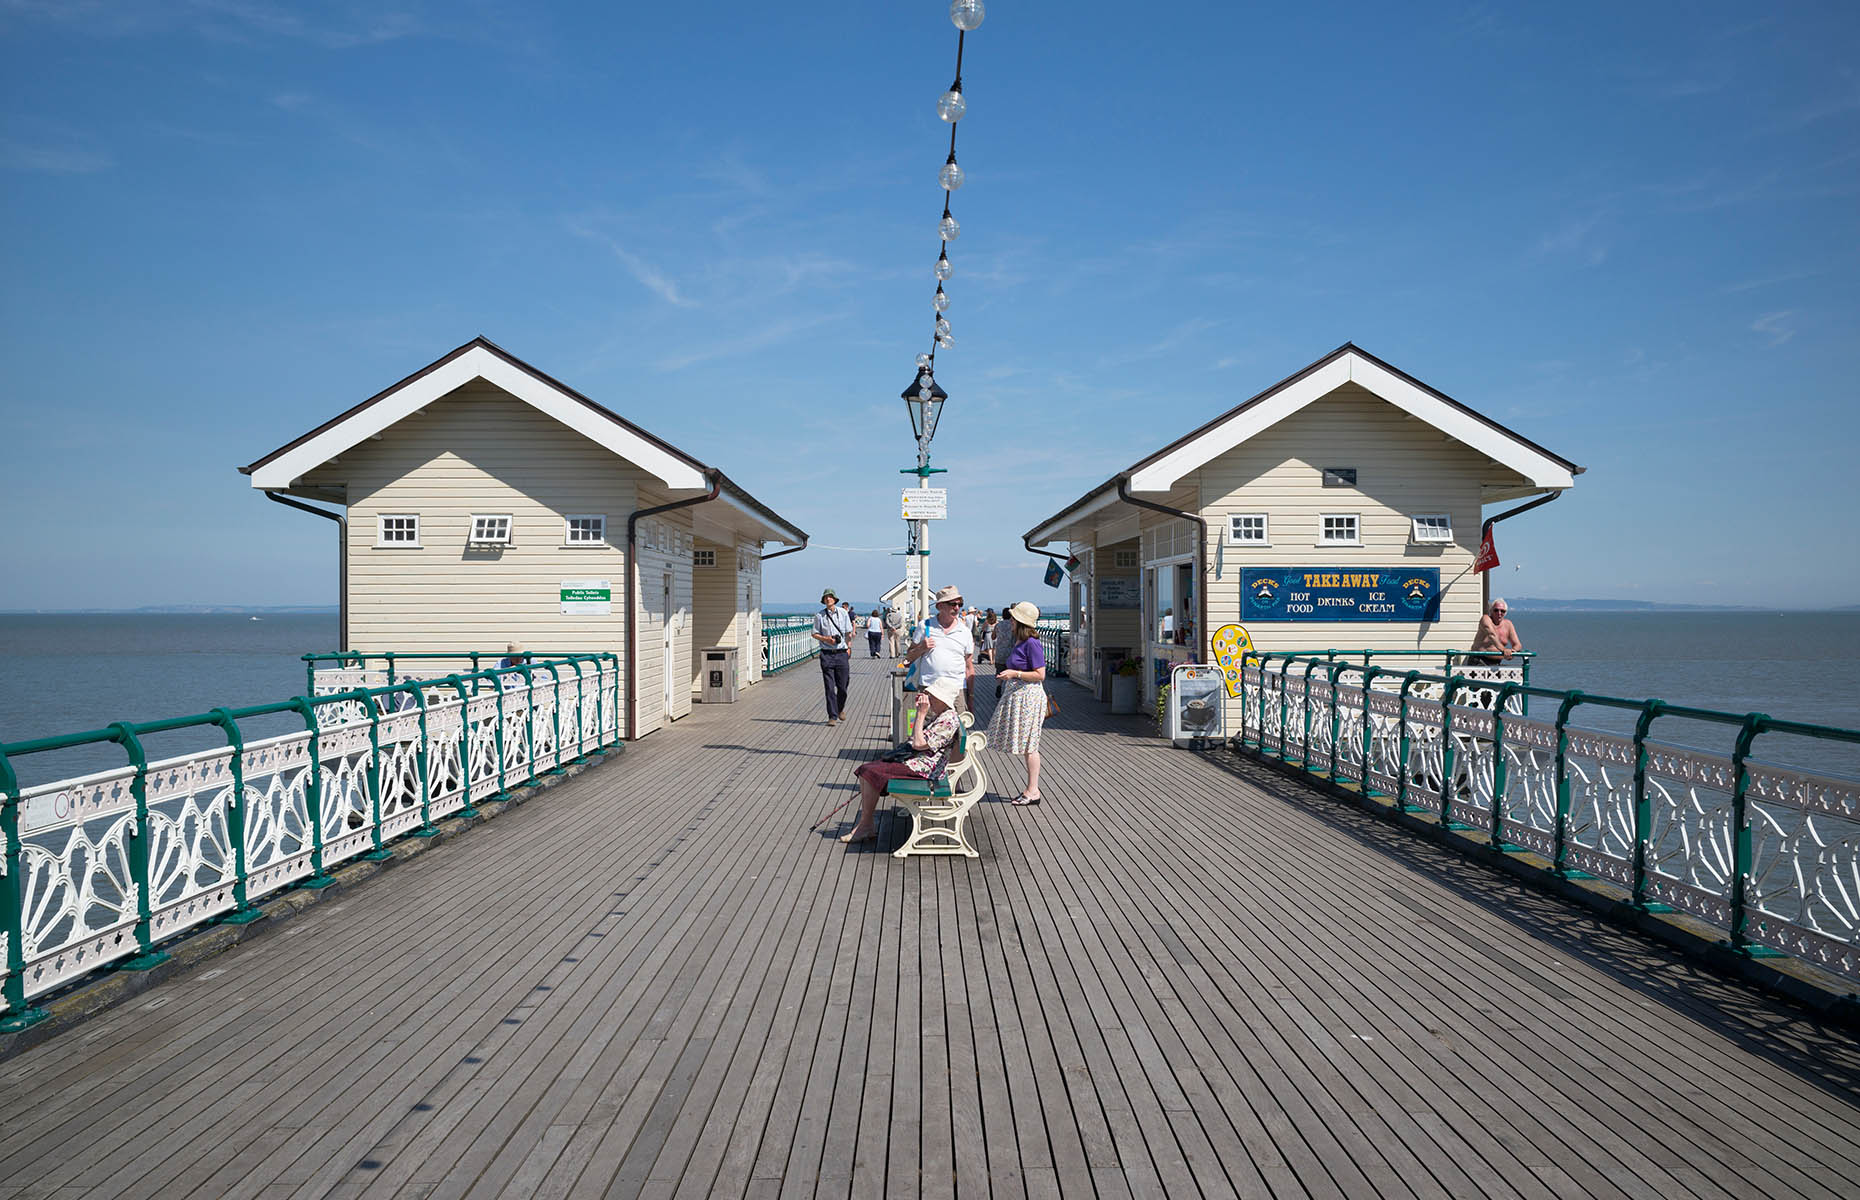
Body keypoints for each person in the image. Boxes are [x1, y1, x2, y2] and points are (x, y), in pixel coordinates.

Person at [840, 677, 965, 844]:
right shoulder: (941, 715)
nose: (930, 699)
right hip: (917, 762)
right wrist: (921, 714)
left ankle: (866, 825)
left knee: (868, 771)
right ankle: (866, 824)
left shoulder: (948, 720)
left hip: (924, 768)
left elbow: (919, 743)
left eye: (933, 697)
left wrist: (920, 714)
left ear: (943, 699)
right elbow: (915, 740)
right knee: (867, 770)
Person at [991, 601, 1049, 806]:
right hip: (1020, 695)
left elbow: (1040, 674)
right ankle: (1032, 789)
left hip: (1029, 697)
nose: (1011, 621)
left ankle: (1033, 790)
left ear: (1020, 621)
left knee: (1030, 745)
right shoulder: (1020, 641)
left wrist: (1015, 673)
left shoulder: (1031, 643)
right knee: (1028, 745)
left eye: (1014, 618)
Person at [906, 584, 975, 715]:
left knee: (958, 732)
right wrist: (921, 648)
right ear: (940, 606)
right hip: (929, 687)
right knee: (926, 731)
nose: (957, 608)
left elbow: (969, 667)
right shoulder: (925, 626)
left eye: (960, 604)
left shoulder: (964, 631)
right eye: (952, 604)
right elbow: (907, 659)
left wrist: (970, 697)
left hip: (957, 689)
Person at [812, 587, 855, 725]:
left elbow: (849, 632)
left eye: (830, 597)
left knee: (843, 686)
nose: (828, 599)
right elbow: (814, 633)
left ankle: (840, 708)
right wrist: (826, 639)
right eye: (826, 597)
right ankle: (832, 716)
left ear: (835, 599)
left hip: (841, 653)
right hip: (826, 654)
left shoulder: (843, 613)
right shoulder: (819, 616)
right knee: (829, 687)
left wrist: (849, 647)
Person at [1469, 598, 1523, 664]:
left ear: (1505, 612)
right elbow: (1492, 635)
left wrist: (1512, 651)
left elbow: (1518, 644)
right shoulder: (1485, 619)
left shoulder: (1508, 624)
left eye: (1502, 611)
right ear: (1491, 611)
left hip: (1496, 663)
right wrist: (1504, 650)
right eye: (1496, 610)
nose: (1499, 613)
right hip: (1479, 660)